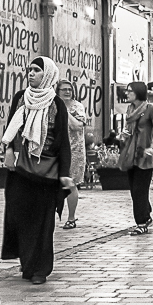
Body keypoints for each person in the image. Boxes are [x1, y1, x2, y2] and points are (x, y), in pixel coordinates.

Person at [0, 57, 74, 285]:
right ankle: (27, 261)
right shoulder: (20, 98)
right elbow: (11, 127)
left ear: (48, 75)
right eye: (29, 70)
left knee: (43, 222)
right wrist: (9, 151)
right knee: (20, 216)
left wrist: (64, 173)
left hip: (47, 173)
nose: (30, 74)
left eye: (36, 70)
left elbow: (63, 141)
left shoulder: (56, 104)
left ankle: (40, 269)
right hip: (21, 169)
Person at [119, 81, 153, 234]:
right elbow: (128, 130)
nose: (127, 93)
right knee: (134, 190)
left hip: (144, 154)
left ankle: (141, 223)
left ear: (138, 92)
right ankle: (146, 212)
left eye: (130, 91)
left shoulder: (150, 109)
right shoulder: (130, 110)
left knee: (139, 190)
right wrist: (123, 136)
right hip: (131, 153)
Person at [57, 80, 89, 230]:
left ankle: (71, 218)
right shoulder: (52, 106)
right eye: (64, 90)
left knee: (71, 183)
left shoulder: (77, 107)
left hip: (74, 151)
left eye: (69, 89)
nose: (67, 92)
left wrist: (65, 110)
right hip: (56, 150)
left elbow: (76, 126)